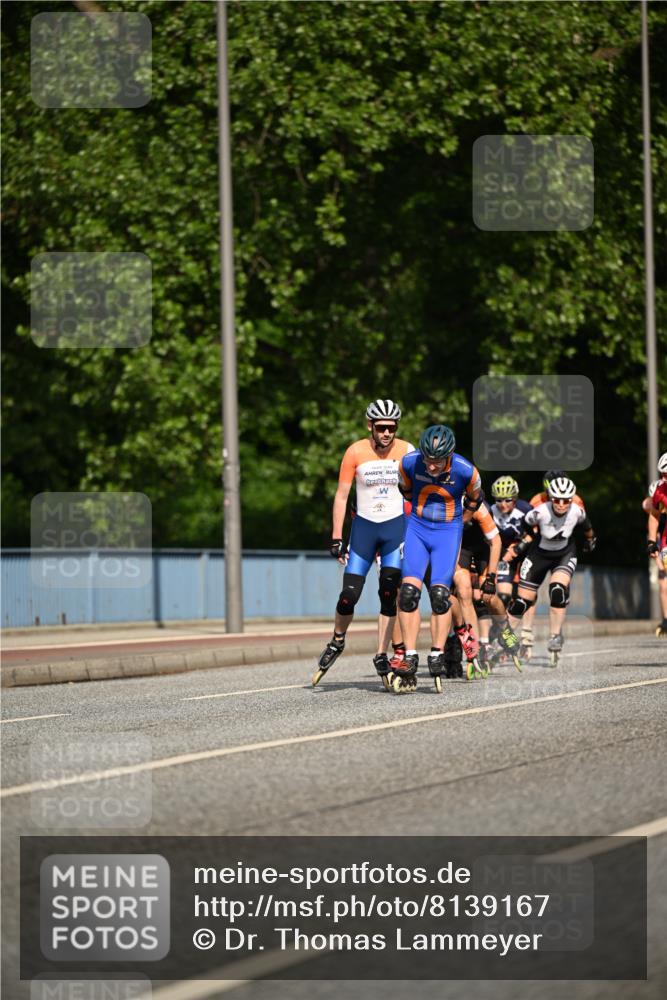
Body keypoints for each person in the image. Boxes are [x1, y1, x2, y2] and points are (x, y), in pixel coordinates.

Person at [313, 399, 414, 688]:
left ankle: (385, 653)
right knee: (349, 595)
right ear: (370, 425)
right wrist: (336, 536)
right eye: (381, 428)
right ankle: (337, 640)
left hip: (395, 530)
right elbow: (342, 496)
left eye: (391, 428)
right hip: (364, 531)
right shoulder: (355, 451)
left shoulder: (407, 451)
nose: (386, 433)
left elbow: (421, 491)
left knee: (389, 592)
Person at [392, 424, 482, 693]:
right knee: (407, 593)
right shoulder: (408, 463)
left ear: (450, 455)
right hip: (418, 529)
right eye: (428, 460)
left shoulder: (467, 470)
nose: (431, 466)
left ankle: (437, 652)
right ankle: (409, 656)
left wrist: (457, 522)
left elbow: (475, 501)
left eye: (438, 461)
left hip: (447, 532)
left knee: (441, 596)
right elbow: (406, 492)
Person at [505, 476, 596, 664]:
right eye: (557, 500)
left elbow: (587, 526)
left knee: (557, 591)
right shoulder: (539, 512)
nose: (561, 505)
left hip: (564, 554)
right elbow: (524, 525)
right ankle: (504, 635)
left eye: (566, 501)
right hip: (539, 555)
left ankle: (555, 636)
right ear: (550, 498)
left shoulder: (577, 511)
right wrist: (526, 541)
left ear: (572, 499)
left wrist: (590, 540)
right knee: (521, 602)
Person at [489, 476, 533, 659]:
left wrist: (517, 548)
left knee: (525, 595)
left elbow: (535, 535)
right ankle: (500, 633)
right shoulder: (490, 511)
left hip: (524, 553)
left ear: (515, 499)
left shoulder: (525, 510)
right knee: (504, 596)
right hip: (503, 556)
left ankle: (526, 636)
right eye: (499, 500)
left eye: (508, 500)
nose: (503, 504)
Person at [647, 453, 667, 636]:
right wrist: (652, 541)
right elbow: (654, 515)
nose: (663, 478)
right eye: (662, 473)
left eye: (666, 474)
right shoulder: (660, 491)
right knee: (664, 582)